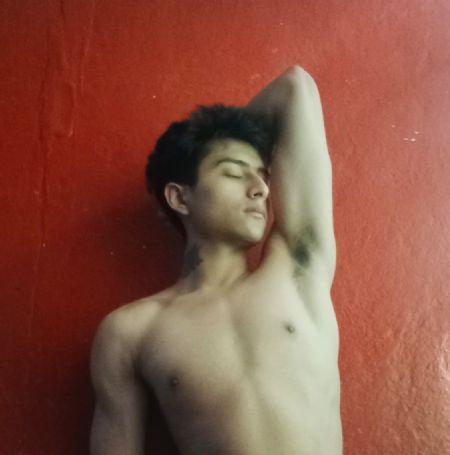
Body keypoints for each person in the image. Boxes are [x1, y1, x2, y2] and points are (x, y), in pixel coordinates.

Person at [89, 65, 342, 455]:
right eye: (234, 174)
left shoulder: (297, 269)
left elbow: (295, 86)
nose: (260, 189)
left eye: (262, 176)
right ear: (180, 197)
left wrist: (221, 132)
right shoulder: (131, 332)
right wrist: (188, 150)